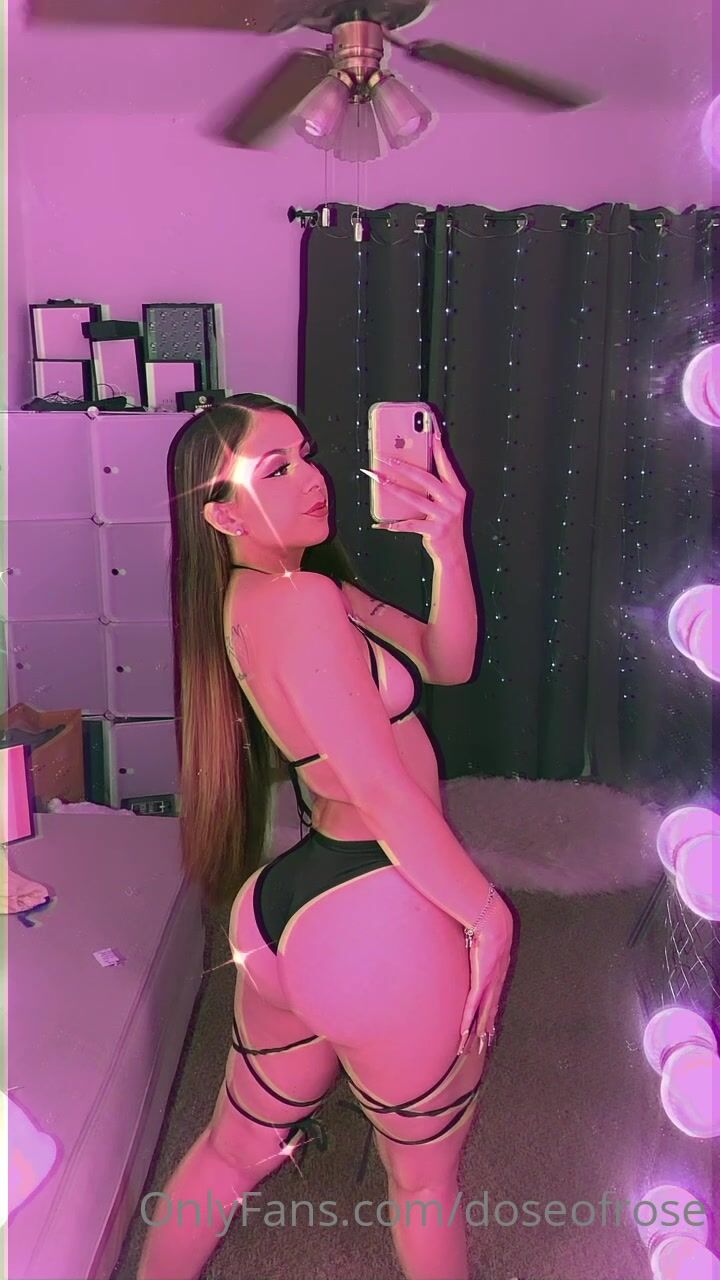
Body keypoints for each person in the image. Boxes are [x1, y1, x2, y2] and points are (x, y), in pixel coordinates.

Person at [138, 393, 514, 1280]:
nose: (314, 479)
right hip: (372, 906)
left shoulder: (286, 591)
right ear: (223, 514)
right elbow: (376, 788)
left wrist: (446, 544)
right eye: (276, 470)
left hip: (291, 908)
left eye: (306, 455)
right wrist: (487, 914)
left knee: (232, 1152)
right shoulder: (299, 599)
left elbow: (448, 660)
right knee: (424, 1185)